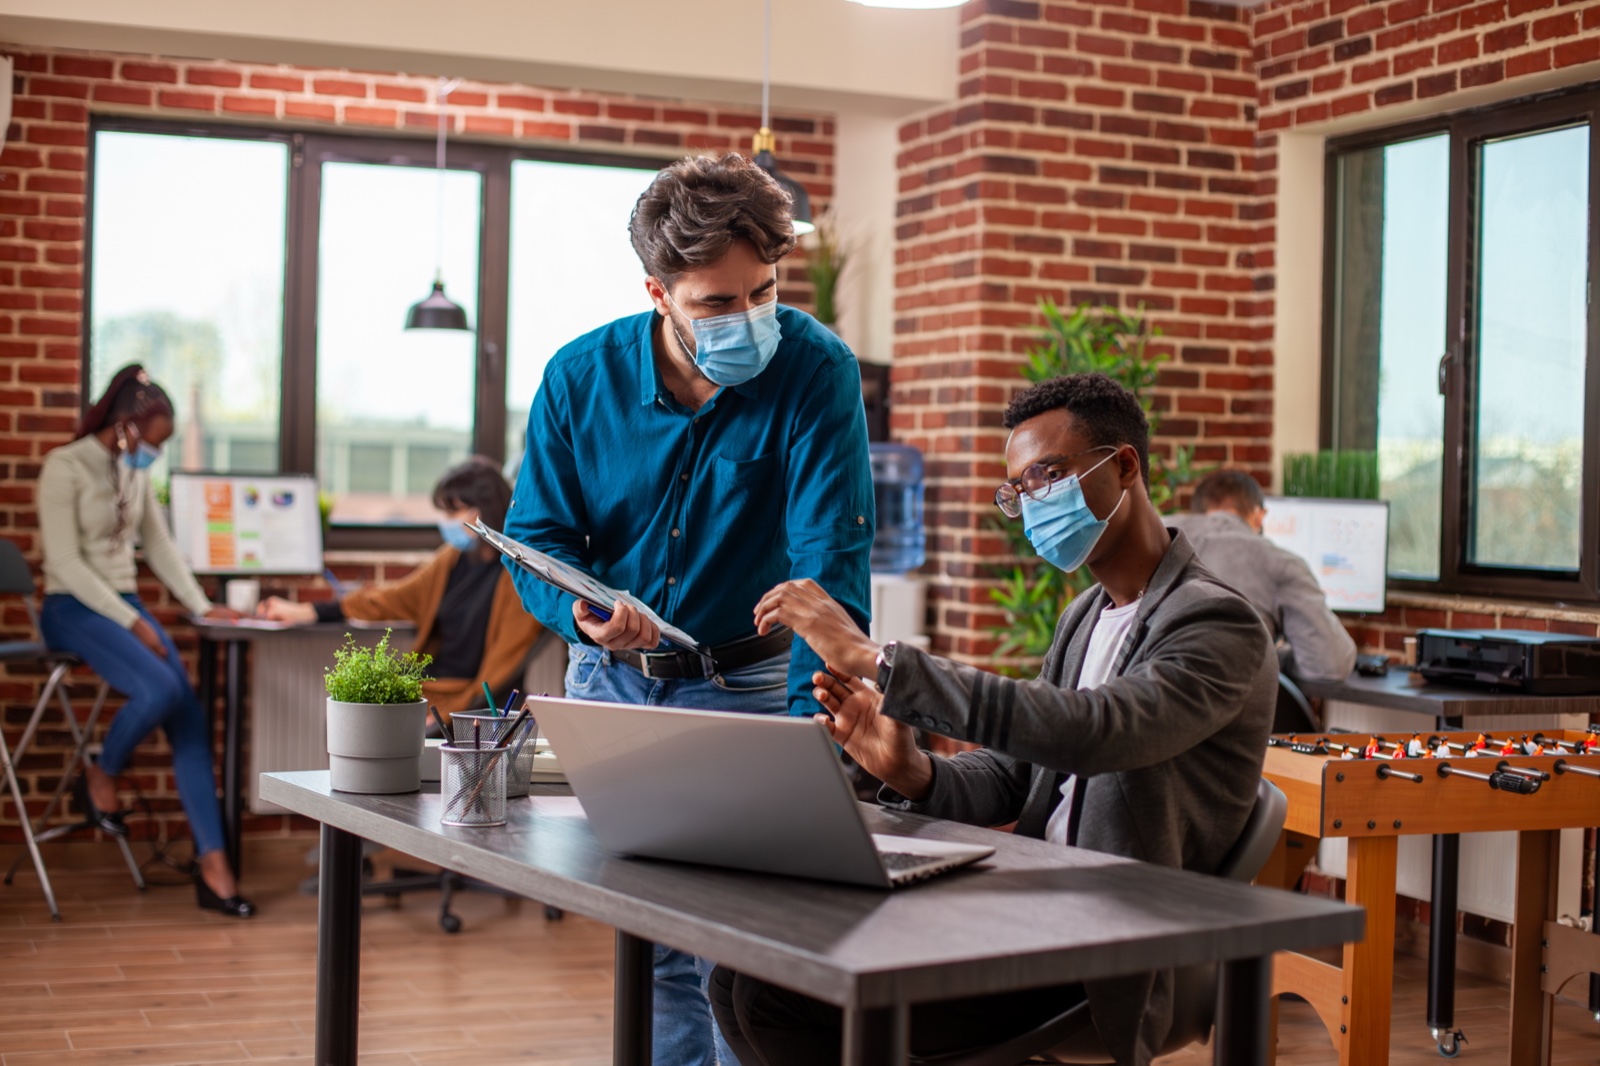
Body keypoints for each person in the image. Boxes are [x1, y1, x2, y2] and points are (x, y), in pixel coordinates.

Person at [712, 373, 1277, 1066]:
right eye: (1021, 487)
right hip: (1032, 912)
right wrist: (915, 771)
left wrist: (875, 658)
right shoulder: (1084, 617)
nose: (1034, 499)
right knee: (736, 979)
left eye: (1049, 474)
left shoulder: (1218, 621)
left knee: (779, 1000)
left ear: (1125, 466)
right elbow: (1020, 772)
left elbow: (1097, 732)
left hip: (1106, 951)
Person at [503, 152, 873, 1066]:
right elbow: (538, 541)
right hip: (615, 689)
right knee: (658, 939)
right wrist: (585, 618)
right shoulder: (579, 377)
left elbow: (829, 568)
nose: (751, 319)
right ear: (656, 292)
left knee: (742, 951)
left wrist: (806, 736)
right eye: (717, 303)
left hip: (749, 686)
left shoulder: (816, 371)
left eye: (765, 292)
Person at [37, 365, 254, 918]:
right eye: (152, 443)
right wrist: (130, 621)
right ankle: (102, 773)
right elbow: (63, 562)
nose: (153, 456)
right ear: (126, 425)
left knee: (187, 711)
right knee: (160, 691)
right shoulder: (64, 467)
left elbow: (159, 547)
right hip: (72, 607)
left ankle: (214, 867)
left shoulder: (132, 473)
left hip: (124, 608)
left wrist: (204, 606)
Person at [258, 457, 544, 717]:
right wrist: (312, 611)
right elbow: (391, 598)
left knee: (364, 726)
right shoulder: (452, 559)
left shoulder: (516, 577)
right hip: (429, 690)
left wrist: (450, 714)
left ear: (485, 510)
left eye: (454, 511)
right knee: (349, 715)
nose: (446, 522)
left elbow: (500, 674)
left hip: (466, 704)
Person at [1170, 469, 1357, 682]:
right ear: (1259, 516)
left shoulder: (1159, 534)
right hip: (1227, 708)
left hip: (1143, 703)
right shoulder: (1280, 562)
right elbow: (1329, 665)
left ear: (1198, 510)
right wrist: (1273, 657)